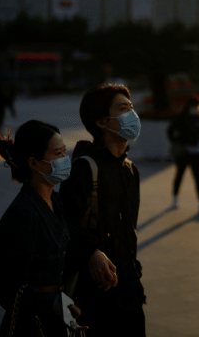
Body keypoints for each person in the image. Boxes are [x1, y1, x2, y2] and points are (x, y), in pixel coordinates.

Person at [0, 120, 93, 337]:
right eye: (57, 154)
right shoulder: (21, 215)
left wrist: (94, 254)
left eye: (64, 152)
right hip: (31, 327)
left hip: (57, 320)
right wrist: (53, 301)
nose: (65, 159)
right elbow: (8, 293)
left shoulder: (55, 200)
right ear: (34, 163)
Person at [59, 83, 146, 337]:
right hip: (95, 298)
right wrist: (91, 252)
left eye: (132, 107)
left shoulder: (130, 170)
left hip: (130, 296)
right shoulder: (84, 169)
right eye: (123, 108)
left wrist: (135, 281)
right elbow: (62, 224)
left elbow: (128, 233)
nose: (132, 114)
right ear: (101, 121)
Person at [167, 97, 199, 211]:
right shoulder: (180, 118)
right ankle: (174, 200)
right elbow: (169, 131)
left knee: (198, 177)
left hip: (196, 152)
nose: (196, 109)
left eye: (198, 107)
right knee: (180, 175)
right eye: (194, 107)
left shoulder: (198, 117)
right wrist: (176, 142)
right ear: (188, 106)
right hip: (183, 152)